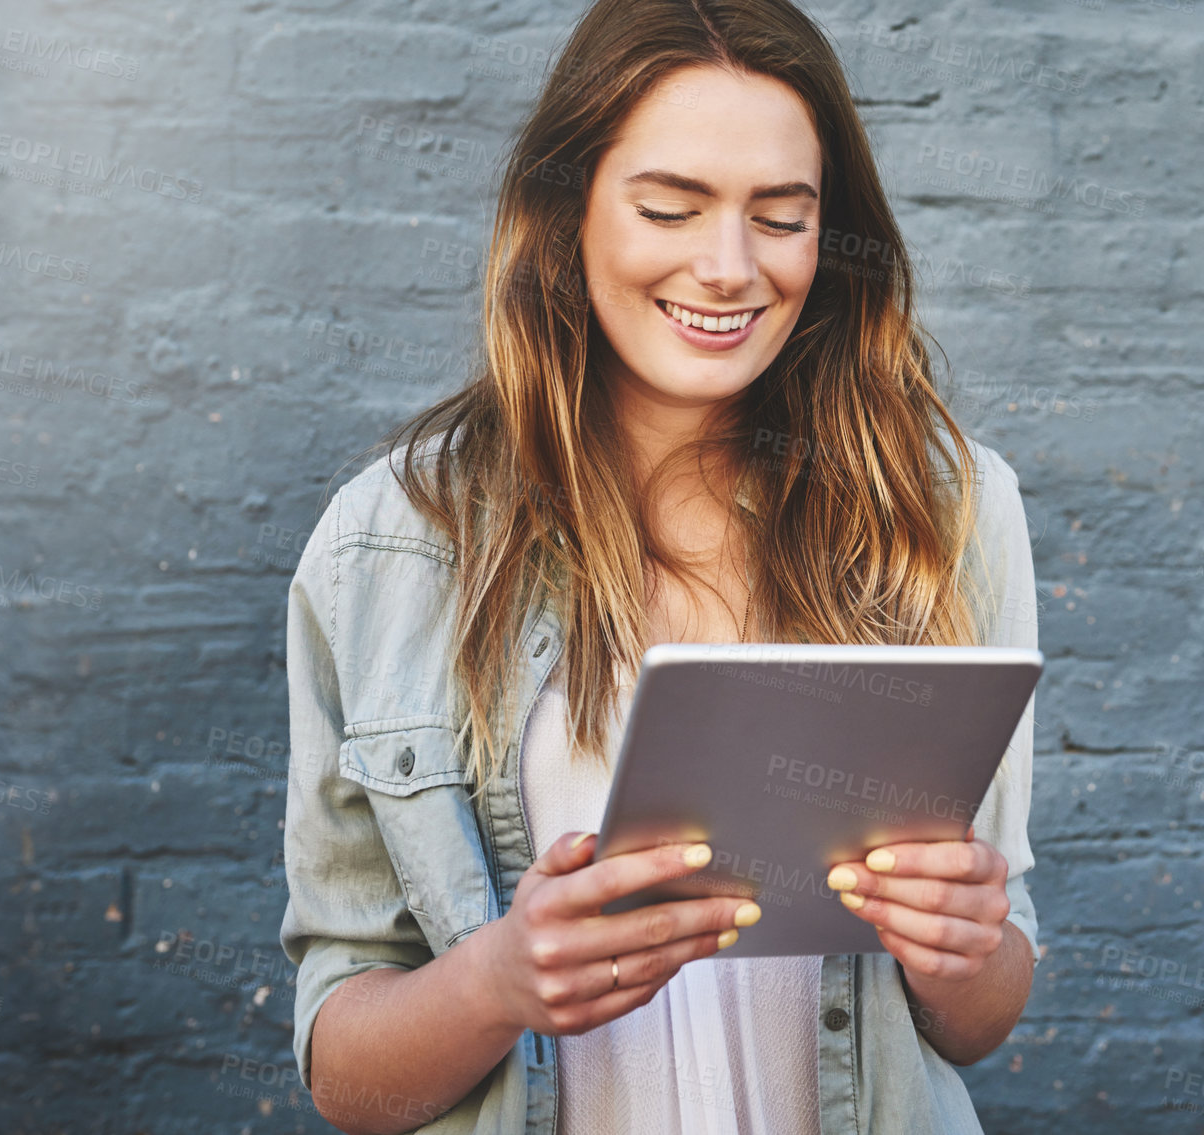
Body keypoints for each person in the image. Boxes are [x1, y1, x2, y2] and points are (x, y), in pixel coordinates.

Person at [278, 0, 1041, 1131]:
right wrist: (496, 982)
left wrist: (962, 944)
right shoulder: (390, 541)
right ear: (567, 209)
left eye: (781, 217)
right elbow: (346, 1074)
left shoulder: (943, 510)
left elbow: (980, 1015)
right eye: (669, 208)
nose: (728, 268)